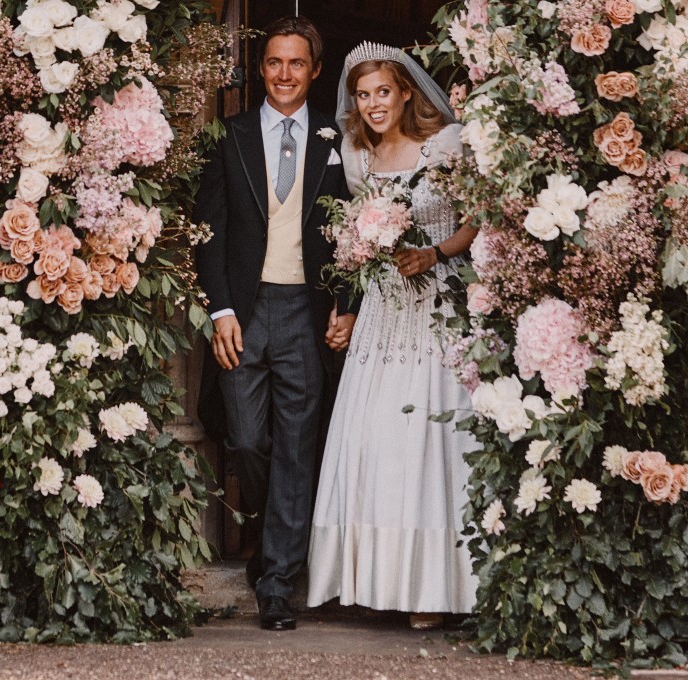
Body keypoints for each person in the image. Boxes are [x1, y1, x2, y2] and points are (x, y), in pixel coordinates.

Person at [306, 42, 481, 630]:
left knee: (431, 440)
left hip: (438, 304)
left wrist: (434, 252)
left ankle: (435, 587)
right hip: (383, 312)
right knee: (377, 437)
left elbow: (475, 219)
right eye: (363, 95)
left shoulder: (446, 145)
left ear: (407, 91)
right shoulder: (358, 156)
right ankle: (372, 579)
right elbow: (357, 249)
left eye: (383, 91)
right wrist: (348, 307)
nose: (373, 104)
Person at [193, 16, 356, 631]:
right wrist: (221, 309)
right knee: (246, 440)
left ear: (315, 70)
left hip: (305, 313)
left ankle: (279, 583)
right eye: (273, 63)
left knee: (296, 447)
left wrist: (345, 303)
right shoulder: (229, 136)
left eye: (296, 64)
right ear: (259, 69)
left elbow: (352, 234)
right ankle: (268, 537)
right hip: (245, 309)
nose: (284, 74)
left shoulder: (334, 141)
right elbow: (207, 232)